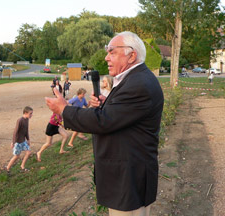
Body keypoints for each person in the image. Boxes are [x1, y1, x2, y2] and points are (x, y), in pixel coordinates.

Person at [45, 31, 163, 214]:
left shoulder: (139, 84)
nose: (106, 57)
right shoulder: (136, 79)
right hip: (127, 174)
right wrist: (105, 103)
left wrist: (64, 110)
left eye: (112, 52)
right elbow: (119, 115)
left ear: (131, 55)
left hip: (129, 179)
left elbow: (103, 122)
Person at [61, 88, 89, 154]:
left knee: (82, 125)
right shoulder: (75, 99)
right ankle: (70, 142)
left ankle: (80, 135)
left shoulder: (83, 99)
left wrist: (89, 103)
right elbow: (67, 103)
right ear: (79, 94)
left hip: (79, 114)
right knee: (77, 128)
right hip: (74, 115)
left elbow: (86, 106)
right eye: (83, 94)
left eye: (84, 94)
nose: (84, 95)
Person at [5, 107, 33, 171]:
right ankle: (7, 168)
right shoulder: (20, 120)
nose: (31, 115)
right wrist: (13, 142)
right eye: (30, 113)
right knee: (17, 156)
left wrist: (28, 139)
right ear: (25, 113)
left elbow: (26, 130)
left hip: (23, 141)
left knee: (28, 152)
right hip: (17, 142)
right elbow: (15, 132)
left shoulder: (27, 120)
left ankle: (22, 166)